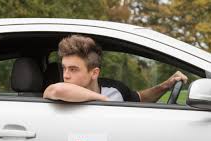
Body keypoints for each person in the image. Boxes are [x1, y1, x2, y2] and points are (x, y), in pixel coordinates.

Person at [43, 35, 188, 102]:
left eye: (73, 69)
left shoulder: (115, 90)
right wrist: (103, 100)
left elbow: (140, 98)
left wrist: (165, 86)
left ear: (94, 73)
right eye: (64, 68)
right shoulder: (58, 92)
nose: (66, 75)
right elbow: (56, 90)